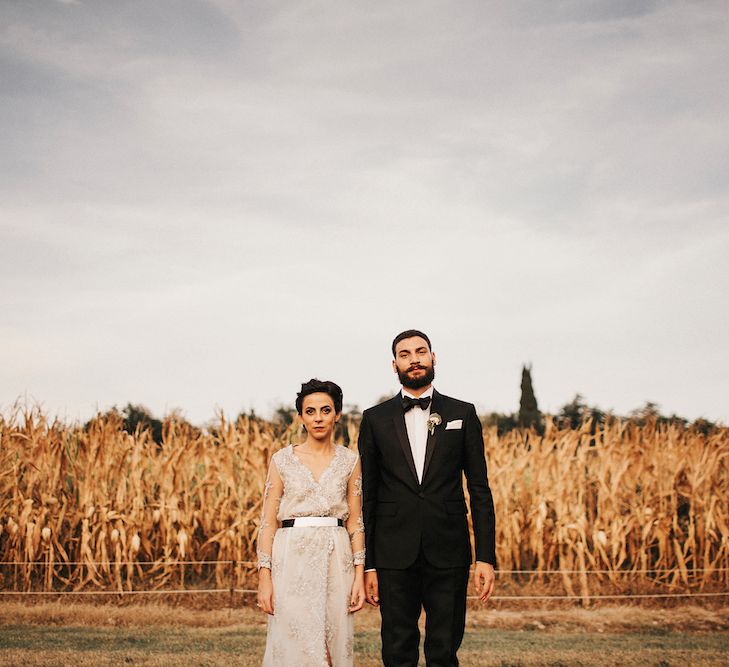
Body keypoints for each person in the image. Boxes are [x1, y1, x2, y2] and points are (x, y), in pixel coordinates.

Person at [358, 330, 496, 667]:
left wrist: (486, 557)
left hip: (448, 549)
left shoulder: (463, 412)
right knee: (396, 649)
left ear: (434, 358)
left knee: (444, 649)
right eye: (405, 354)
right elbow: (368, 496)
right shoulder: (374, 420)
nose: (414, 358)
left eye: (421, 351)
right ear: (394, 365)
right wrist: (370, 563)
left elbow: (479, 488)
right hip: (393, 553)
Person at [256, 378, 366, 666]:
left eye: (326, 410)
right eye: (311, 411)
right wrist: (264, 576)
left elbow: (355, 522)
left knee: (331, 644)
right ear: (301, 416)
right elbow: (268, 522)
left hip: (336, 556)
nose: (318, 418)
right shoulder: (281, 460)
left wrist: (359, 574)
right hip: (291, 557)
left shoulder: (350, 461)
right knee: (296, 643)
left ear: (337, 414)